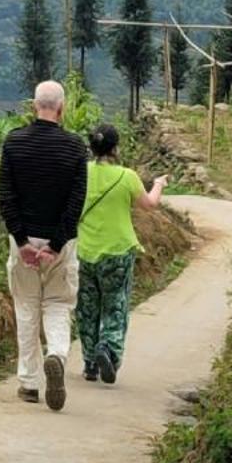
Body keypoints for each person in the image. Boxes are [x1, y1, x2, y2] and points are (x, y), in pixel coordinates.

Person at [0, 79, 88, 411]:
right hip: (60, 245)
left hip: (24, 243)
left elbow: (6, 196)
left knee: (26, 307)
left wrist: (21, 241)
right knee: (59, 304)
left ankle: (29, 383)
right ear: (62, 109)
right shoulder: (76, 147)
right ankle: (58, 356)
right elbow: (76, 202)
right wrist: (57, 243)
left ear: (34, 106)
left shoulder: (14, 142)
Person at [77, 123, 167, 385]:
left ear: (92, 147)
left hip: (85, 251)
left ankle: (90, 364)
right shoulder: (126, 176)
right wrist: (159, 184)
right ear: (115, 148)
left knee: (87, 309)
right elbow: (149, 205)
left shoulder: (81, 172)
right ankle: (108, 349)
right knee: (115, 306)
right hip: (118, 252)